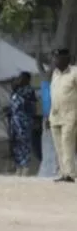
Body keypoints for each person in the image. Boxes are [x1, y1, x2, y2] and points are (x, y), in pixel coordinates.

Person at [49, 49, 77, 183]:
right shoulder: (55, 74)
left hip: (70, 115)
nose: (56, 61)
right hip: (54, 115)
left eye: (58, 58)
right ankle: (63, 172)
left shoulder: (74, 73)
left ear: (67, 59)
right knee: (58, 146)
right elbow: (54, 94)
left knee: (67, 143)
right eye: (55, 58)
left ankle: (70, 174)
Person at [7, 71, 37, 176]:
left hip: (24, 122)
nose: (19, 80)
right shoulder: (16, 90)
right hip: (14, 122)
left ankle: (25, 167)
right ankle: (18, 166)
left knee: (24, 144)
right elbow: (12, 106)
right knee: (15, 144)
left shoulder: (28, 91)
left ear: (27, 79)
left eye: (22, 78)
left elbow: (30, 107)